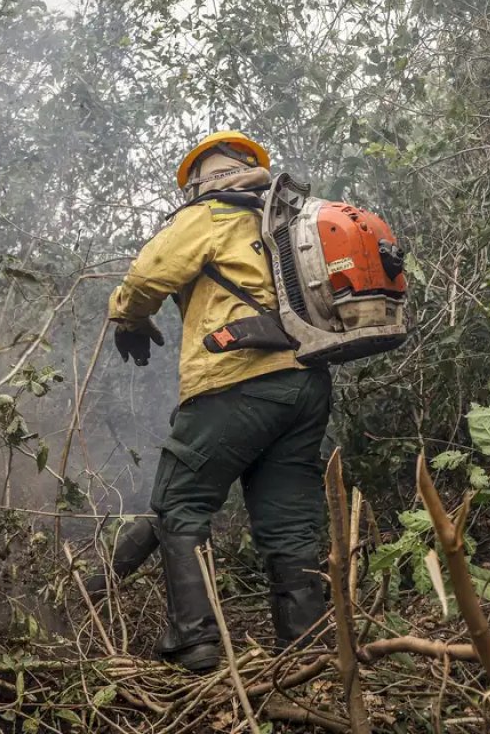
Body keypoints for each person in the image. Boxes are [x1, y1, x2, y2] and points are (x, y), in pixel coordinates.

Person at [107, 131, 332, 672]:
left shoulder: (210, 214)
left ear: (201, 181)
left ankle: (195, 640)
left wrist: (129, 319)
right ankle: (307, 653)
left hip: (236, 375)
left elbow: (147, 276)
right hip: (306, 383)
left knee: (181, 505)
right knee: (289, 525)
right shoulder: (285, 220)